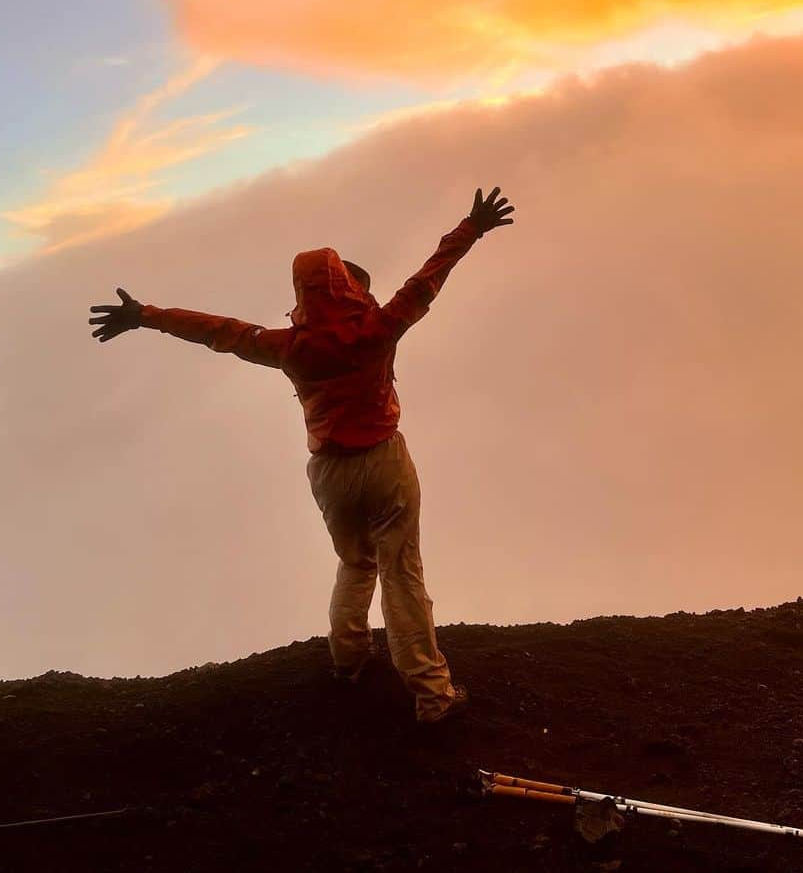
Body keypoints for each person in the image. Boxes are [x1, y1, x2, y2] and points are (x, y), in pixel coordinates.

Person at [89, 186, 515, 723]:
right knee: (402, 571)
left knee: (354, 562)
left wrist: (146, 314)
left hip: (330, 474)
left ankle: (348, 660)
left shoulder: (288, 347)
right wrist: (471, 228)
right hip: (385, 461)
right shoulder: (379, 328)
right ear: (349, 288)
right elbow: (428, 278)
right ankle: (431, 694)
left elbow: (215, 331)